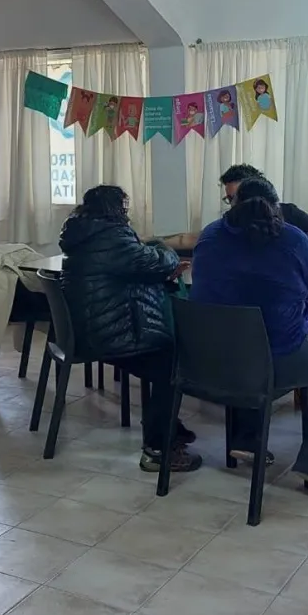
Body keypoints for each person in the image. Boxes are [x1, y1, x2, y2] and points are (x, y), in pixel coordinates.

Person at [189, 177, 308, 499]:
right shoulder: (291, 238)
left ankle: (247, 440)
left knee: (246, 349)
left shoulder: (210, 235)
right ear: (275, 206)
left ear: (233, 203)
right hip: (275, 358)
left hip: (212, 361)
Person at [59, 185, 202, 472]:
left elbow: (133, 267)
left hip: (90, 331)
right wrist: (164, 251)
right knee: (172, 364)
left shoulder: (81, 235)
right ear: (117, 209)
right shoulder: (112, 236)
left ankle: (169, 428)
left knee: (167, 357)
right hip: (111, 337)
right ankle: (158, 448)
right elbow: (154, 259)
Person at [157, 163, 308, 252]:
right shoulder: (229, 224)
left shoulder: (290, 217)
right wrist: (149, 243)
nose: (234, 205)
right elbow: (191, 240)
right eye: (230, 199)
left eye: (239, 197)